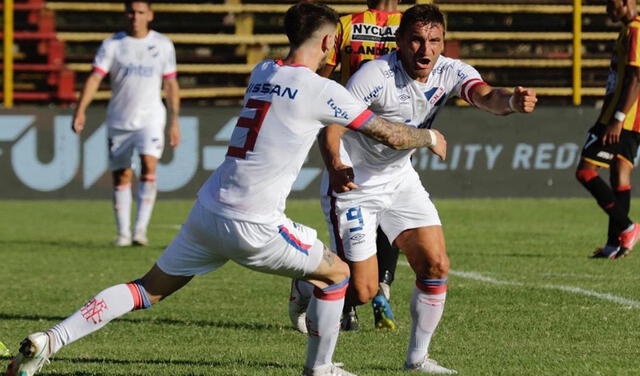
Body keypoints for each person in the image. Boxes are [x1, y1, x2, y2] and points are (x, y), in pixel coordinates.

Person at [4, 3, 450, 376]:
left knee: (146, 289)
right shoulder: (320, 90)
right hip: (255, 223)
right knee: (336, 274)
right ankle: (322, 368)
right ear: (330, 41)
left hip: (207, 210)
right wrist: (429, 137)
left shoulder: (262, 70)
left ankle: (51, 339)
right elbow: (388, 134)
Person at [289, 4, 537, 374]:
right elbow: (331, 128)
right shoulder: (375, 74)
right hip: (355, 183)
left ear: (443, 42)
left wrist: (513, 102)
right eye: (417, 40)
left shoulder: (451, 71)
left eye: (434, 41)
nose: (426, 50)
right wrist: (337, 166)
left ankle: (417, 359)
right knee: (361, 292)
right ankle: (307, 285)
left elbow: (485, 95)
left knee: (436, 263)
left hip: (401, 179)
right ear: (400, 42)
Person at [315, 0, 403, 333]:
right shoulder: (410, 26)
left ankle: (366, 296)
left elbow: (324, 77)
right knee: (377, 217)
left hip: (361, 132)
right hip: (378, 134)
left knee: (368, 218)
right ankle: (361, 294)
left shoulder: (347, 25)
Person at [71, 0, 181, 247]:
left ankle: (140, 231)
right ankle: (122, 233)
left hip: (151, 118)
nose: (135, 17)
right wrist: (80, 110)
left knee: (148, 166)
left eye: (140, 12)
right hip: (119, 119)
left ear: (150, 15)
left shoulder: (163, 45)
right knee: (121, 175)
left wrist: (174, 121)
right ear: (125, 14)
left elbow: (171, 84)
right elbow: (95, 78)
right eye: (131, 12)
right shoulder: (113, 44)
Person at [576, 0, 640, 259]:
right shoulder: (628, 30)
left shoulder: (636, 30)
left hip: (621, 119)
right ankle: (616, 244)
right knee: (619, 174)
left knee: (585, 172)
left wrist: (617, 118)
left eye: (610, 3)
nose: (606, 9)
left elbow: (636, 77)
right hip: (630, 119)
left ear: (625, 2)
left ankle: (626, 226)